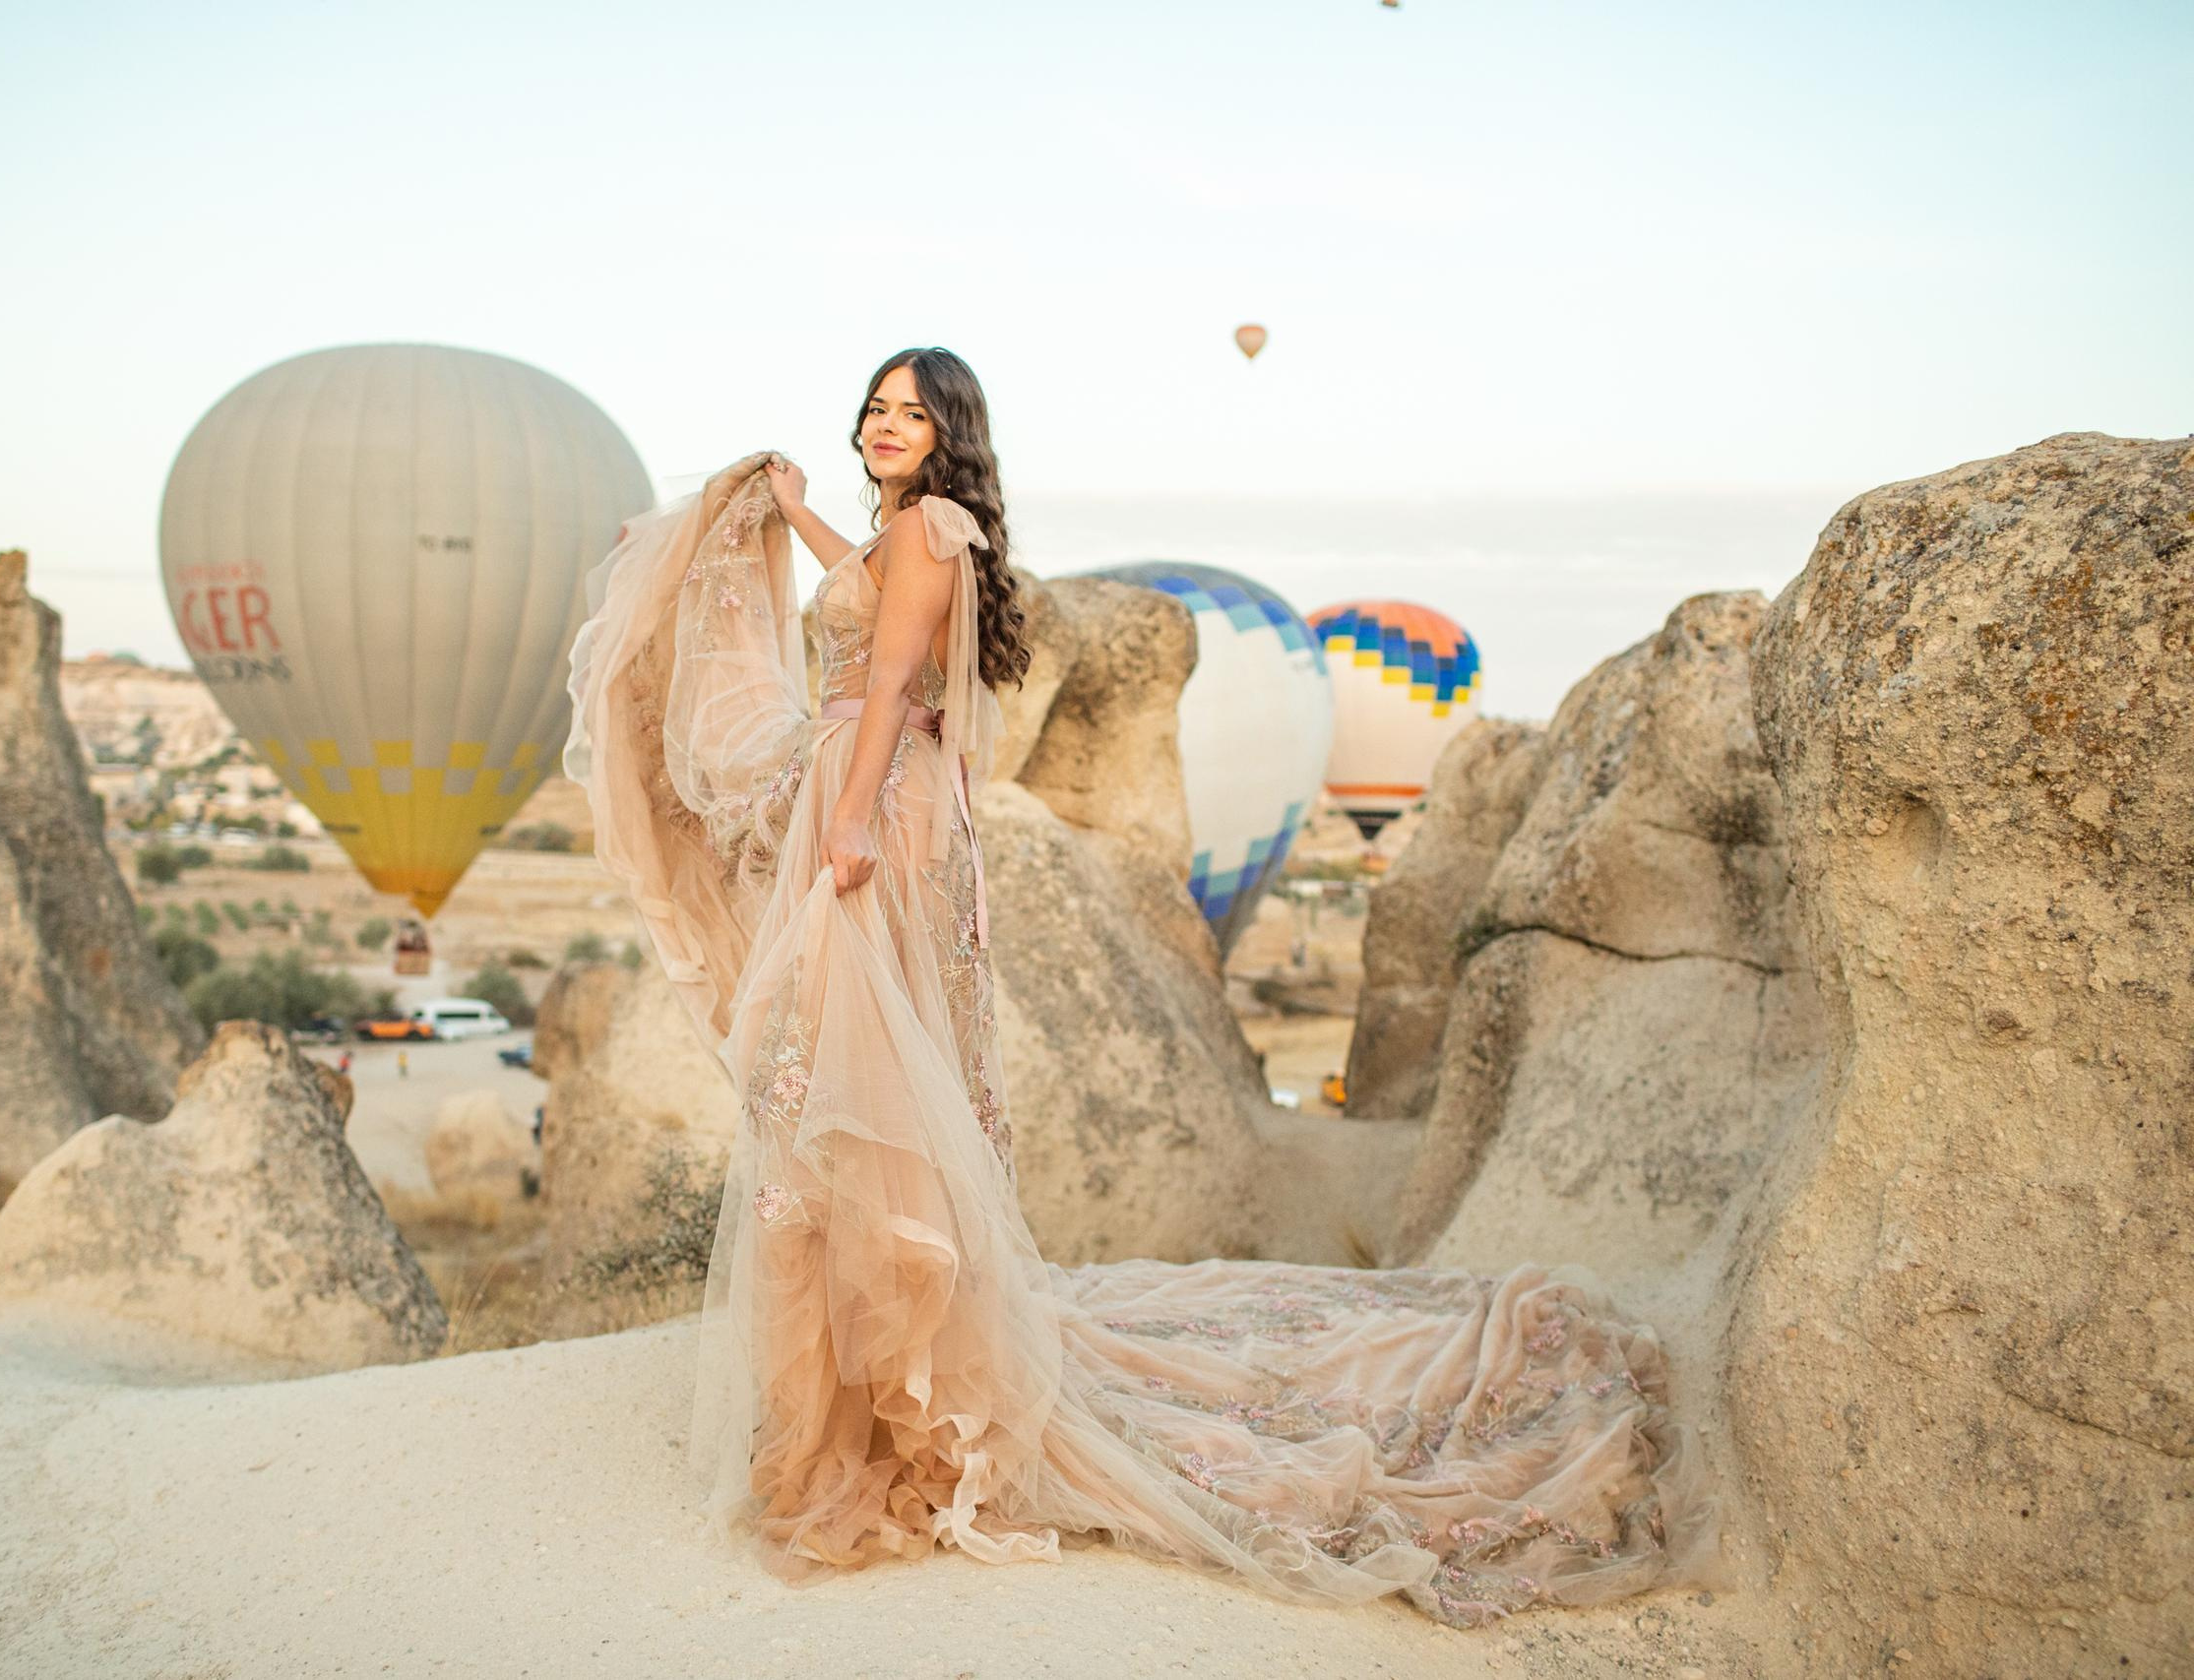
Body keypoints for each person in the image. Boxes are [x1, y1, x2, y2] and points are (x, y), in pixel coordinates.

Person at [561, 347, 1719, 1626]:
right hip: (864, 783)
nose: (886, 426)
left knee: (851, 1080)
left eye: (912, 413)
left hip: (873, 798)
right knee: (830, 1078)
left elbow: (889, 677)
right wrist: (794, 514)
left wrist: (846, 819)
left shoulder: (933, 529)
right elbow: (867, 602)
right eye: (876, 409)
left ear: (950, 433)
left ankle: (886, 1409)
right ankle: (859, 1397)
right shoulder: (900, 535)